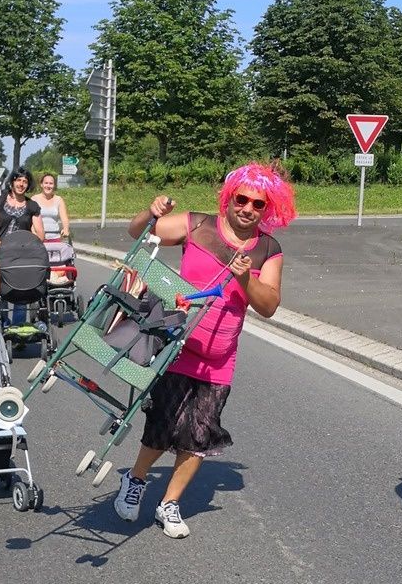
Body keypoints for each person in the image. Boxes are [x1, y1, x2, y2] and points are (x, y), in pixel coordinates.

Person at [112, 164, 294, 538]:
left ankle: (169, 504)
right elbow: (138, 232)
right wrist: (150, 213)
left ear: (267, 209)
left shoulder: (268, 250)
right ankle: (136, 479)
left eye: (257, 204)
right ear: (229, 198)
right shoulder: (197, 225)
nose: (248, 208)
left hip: (220, 359)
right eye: (241, 199)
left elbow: (269, 305)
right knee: (163, 426)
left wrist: (245, 279)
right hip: (179, 345)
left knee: (199, 434)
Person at [0, 168, 44, 247]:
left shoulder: (33, 206)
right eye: (18, 180)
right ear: (12, 182)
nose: (21, 184)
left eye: (25, 182)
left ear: (28, 185)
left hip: (22, 251)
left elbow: (40, 234)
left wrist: (29, 247)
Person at [35, 172, 71, 241]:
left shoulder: (59, 200)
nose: (48, 186)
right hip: (38, 238)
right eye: (46, 183)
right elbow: (30, 220)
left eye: (51, 183)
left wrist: (66, 228)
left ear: (54, 185)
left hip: (55, 237)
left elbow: (64, 218)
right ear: (41, 184)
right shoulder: (35, 199)